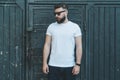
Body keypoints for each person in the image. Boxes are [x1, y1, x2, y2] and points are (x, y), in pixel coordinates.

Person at [42, 3, 82, 80]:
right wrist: (44, 63)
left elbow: (79, 46)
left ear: (66, 12)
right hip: (53, 65)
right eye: (55, 14)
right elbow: (47, 45)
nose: (56, 16)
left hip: (69, 66)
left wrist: (78, 64)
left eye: (58, 13)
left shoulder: (75, 27)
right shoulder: (51, 27)